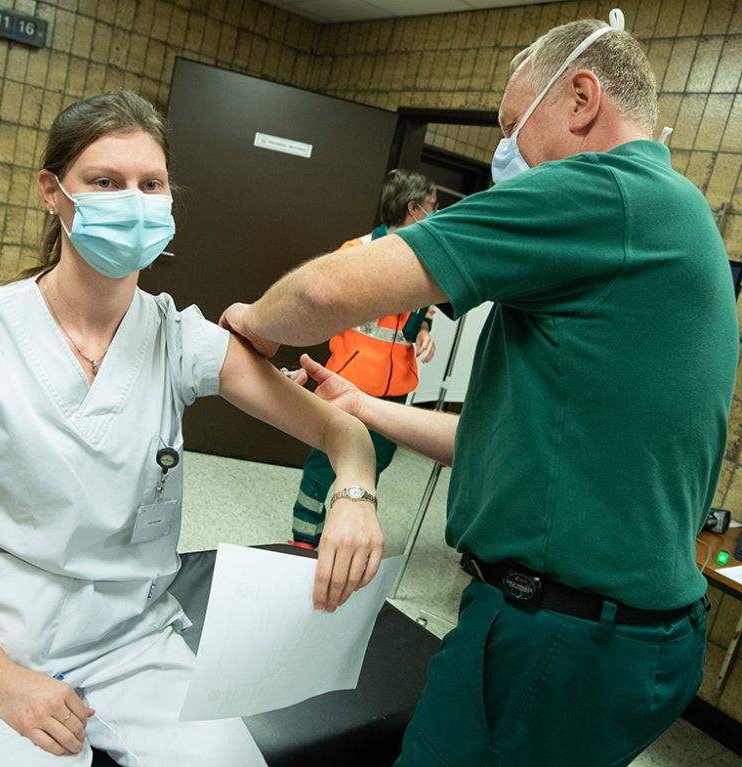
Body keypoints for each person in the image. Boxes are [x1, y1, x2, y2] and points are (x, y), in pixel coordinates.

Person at [220, 10, 738, 766]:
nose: (505, 150)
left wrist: (255, 325)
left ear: (582, 99)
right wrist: (363, 407)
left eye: (511, 123)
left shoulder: (605, 192)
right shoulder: (676, 213)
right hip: (635, 636)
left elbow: (324, 294)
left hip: (556, 633)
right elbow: (501, 442)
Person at [0, 91, 383, 767]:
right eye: (105, 182)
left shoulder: (181, 339)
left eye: (151, 184)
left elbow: (345, 434)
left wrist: (355, 493)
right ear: (52, 192)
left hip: (131, 645)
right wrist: (0, 679)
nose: (132, 201)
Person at [288, 169, 438, 550]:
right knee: (326, 463)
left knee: (372, 465)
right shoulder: (358, 252)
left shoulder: (425, 257)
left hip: (396, 388)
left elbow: (420, 313)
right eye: (433, 208)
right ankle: (304, 538)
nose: (436, 215)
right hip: (349, 380)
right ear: (413, 208)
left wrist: (423, 332)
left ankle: (347, 531)